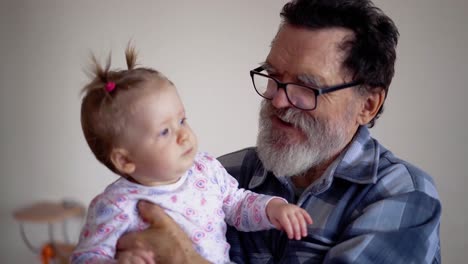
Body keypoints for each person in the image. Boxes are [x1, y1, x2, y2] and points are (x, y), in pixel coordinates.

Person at [117, 0, 442, 263]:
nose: (278, 99)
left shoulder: (403, 196)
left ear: (367, 105)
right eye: (273, 76)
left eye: (306, 86)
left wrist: (184, 258)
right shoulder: (221, 177)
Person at [71, 45, 313, 264]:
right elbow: (86, 257)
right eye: (165, 131)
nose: (184, 135)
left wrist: (272, 209)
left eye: (182, 120)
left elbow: (237, 203)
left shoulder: (205, 168)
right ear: (125, 160)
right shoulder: (116, 204)